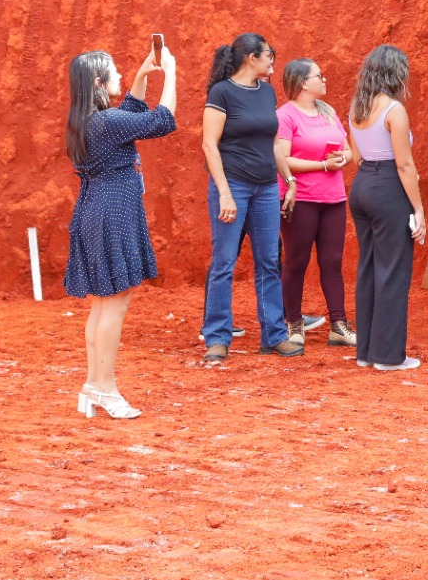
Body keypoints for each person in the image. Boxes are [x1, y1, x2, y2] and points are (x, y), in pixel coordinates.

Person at [63, 43, 178, 419]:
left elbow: (131, 112)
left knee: (104, 303)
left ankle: (94, 384)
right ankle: (106, 388)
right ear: (98, 82)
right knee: (115, 303)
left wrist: (145, 75)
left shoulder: (91, 121)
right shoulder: (105, 123)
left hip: (98, 211)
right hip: (113, 214)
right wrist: (172, 73)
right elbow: (162, 120)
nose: (121, 76)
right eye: (114, 72)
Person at [200, 33, 301, 363]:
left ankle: (274, 335)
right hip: (234, 187)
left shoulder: (267, 91)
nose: (274, 61)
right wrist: (225, 194)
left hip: (266, 189)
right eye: (269, 55)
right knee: (224, 263)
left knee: (269, 262)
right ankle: (217, 338)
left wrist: (288, 179)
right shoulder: (222, 93)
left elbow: (272, 143)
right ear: (251, 59)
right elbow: (209, 145)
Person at [346, 44, 426, 371]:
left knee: (368, 268)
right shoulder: (394, 110)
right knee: (393, 271)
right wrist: (419, 210)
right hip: (388, 188)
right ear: (396, 73)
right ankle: (389, 356)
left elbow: (356, 156)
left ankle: (366, 352)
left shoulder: (356, 107)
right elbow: (405, 166)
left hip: (362, 185)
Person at [274, 58, 356, 350]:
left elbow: (347, 150)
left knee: (332, 262)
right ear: (302, 82)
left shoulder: (328, 112)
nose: (324, 80)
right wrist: (322, 165)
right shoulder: (285, 116)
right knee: (297, 262)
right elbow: (281, 158)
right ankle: (293, 325)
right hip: (301, 199)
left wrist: (342, 160)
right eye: (319, 76)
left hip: (333, 198)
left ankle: (339, 326)